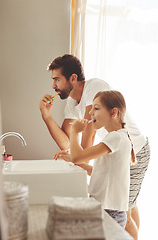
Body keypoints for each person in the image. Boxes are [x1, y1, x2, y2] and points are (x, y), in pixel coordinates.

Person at [39, 54, 150, 238]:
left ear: (73, 78)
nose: (53, 86)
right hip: (115, 150)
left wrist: (76, 157)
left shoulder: (95, 89)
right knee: (127, 205)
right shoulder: (72, 102)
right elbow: (66, 143)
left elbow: (86, 142)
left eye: (57, 79)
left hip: (135, 149)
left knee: (125, 209)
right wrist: (47, 116)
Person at [54, 90, 135, 228]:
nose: (90, 112)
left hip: (109, 211)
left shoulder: (115, 138)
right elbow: (97, 171)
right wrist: (74, 161)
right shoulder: (117, 137)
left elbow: (78, 156)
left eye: (96, 108)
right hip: (108, 209)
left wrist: (74, 131)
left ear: (113, 113)